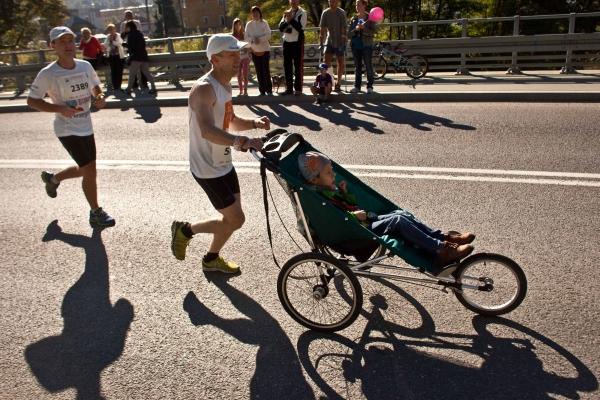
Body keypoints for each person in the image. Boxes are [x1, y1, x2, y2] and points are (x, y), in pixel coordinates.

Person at [170, 34, 271, 274]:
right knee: (236, 219)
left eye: (239, 53)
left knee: (232, 219)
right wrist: (240, 142)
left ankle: (211, 258)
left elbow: (230, 120)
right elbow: (206, 130)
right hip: (206, 167)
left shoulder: (225, 85)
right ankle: (185, 231)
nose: (239, 59)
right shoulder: (204, 89)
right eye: (231, 54)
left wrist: (254, 123)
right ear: (215, 59)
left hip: (223, 161)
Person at [297, 151, 476, 267]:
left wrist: (345, 193)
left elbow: (347, 203)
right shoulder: (319, 197)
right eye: (329, 172)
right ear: (314, 179)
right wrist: (354, 216)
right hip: (358, 231)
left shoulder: (330, 188)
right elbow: (335, 219)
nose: (333, 174)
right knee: (398, 221)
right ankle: (440, 250)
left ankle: (443, 238)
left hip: (366, 221)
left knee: (401, 214)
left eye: (332, 170)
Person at [27, 26, 115, 228]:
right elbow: (32, 101)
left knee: (87, 169)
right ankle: (96, 213)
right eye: (62, 42)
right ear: (53, 46)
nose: (68, 45)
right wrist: (59, 108)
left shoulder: (85, 66)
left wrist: (100, 97)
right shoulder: (48, 73)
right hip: (67, 129)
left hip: (86, 125)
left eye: (70, 40)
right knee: (90, 171)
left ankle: (53, 179)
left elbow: (96, 87)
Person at [278, 0, 307, 96]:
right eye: (292, 0)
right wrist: (288, 20)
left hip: (297, 42)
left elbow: (301, 28)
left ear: (298, 1)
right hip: (287, 42)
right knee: (287, 66)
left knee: (298, 66)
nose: (293, 2)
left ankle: (298, 89)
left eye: (295, 0)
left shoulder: (302, 13)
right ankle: (289, 89)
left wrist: (290, 19)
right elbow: (280, 27)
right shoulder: (286, 12)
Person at [348, 0, 376, 93]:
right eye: (356, 5)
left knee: (368, 66)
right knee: (357, 67)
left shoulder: (370, 17)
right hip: (355, 45)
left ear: (364, 5)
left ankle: (369, 86)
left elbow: (373, 32)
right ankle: (357, 86)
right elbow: (349, 34)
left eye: (359, 5)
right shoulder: (353, 18)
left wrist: (365, 28)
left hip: (366, 45)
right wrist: (355, 29)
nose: (357, 7)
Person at [319, 0, 347, 92]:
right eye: (330, 1)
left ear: (338, 2)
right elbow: (322, 28)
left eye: (334, 1)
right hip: (330, 39)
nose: (332, 3)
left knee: (340, 61)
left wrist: (343, 41)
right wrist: (321, 42)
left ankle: (338, 82)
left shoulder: (341, 12)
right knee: (326, 61)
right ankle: (330, 80)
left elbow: (344, 27)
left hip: (339, 40)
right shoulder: (325, 13)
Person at [244, 6, 273, 96]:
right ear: (251, 14)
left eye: (257, 12)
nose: (255, 14)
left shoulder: (264, 23)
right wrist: (253, 40)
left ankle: (269, 90)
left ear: (260, 13)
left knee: (265, 70)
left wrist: (260, 39)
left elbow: (269, 35)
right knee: (258, 71)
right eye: (253, 13)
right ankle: (262, 91)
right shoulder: (249, 24)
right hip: (254, 51)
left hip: (265, 49)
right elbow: (246, 37)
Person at [123, 21, 156, 95]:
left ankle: (128, 90)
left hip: (136, 58)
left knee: (132, 74)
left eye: (126, 27)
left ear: (129, 27)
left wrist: (124, 45)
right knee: (147, 73)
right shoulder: (140, 33)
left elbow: (131, 47)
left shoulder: (130, 35)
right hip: (144, 57)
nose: (125, 29)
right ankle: (153, 88)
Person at [104, 23, 126, 93]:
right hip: (111, 56)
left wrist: (112, 41)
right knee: (113, 71)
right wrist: (109, 42)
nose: (111, 31)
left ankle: (119, 85)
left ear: (114, 29)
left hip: (119, 56)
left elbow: (120, 43)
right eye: (109, 30)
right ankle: (115, 86)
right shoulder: (108, 37)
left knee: (119, 71)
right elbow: (105, 45)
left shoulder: (118, 35)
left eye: (112, 29)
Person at [232, 18, 250, 96]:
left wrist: (247, 49)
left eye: (239, 24)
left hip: (245, 57)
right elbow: (231, 47)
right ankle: (241, 90)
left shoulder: (244, 34)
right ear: (234, 26)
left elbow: (248, 44)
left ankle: (245, 90)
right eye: (236, 25)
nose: (238, 26)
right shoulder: (232, 36)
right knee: (238, 75)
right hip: (237, 58)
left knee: (245, 74)